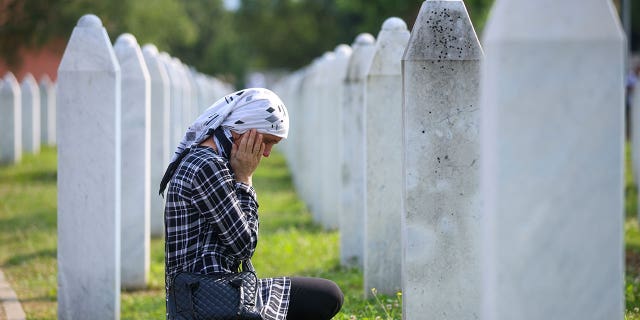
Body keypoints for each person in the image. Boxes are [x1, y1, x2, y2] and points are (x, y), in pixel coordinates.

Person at [159, 88, 343, 320]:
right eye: (266, 141)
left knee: (325, 294)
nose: (266, 153)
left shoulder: (207, 159)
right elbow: (244, 245)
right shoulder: (208, 166)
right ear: (240, 130)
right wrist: (245, 179)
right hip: (206, 300)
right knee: (326, 296)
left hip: (212, 292)